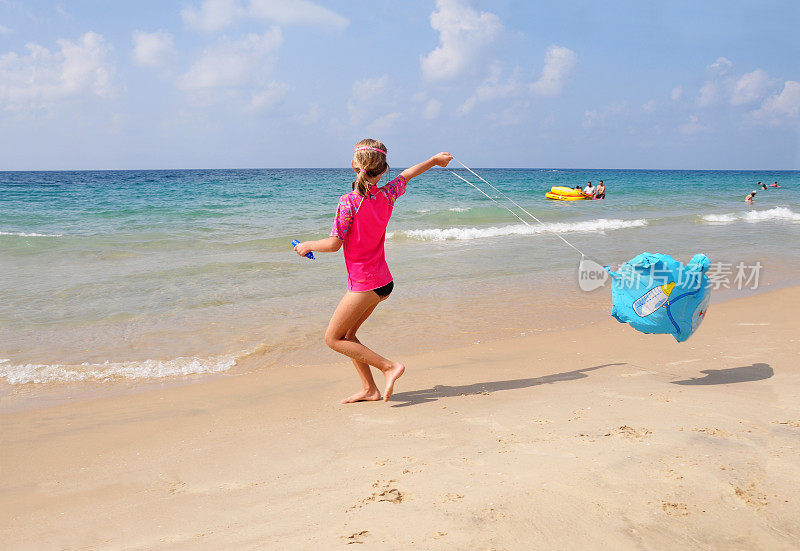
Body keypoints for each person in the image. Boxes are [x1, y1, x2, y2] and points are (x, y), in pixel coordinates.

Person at [294, 139, 453, 403]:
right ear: (382, 169)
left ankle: (389, 367)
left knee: (333, 339)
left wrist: (307, 245)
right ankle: (370, 389)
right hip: (383, 282)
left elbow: (334, 245)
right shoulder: (388, 194)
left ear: (355, 165)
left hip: (365, 284)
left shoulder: (348, 201)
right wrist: (435, 161)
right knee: (349, 336)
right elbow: (407, 175)